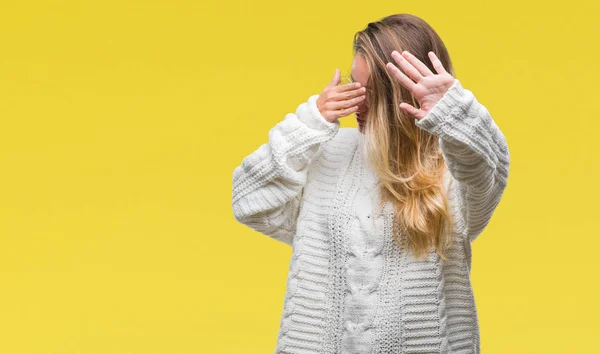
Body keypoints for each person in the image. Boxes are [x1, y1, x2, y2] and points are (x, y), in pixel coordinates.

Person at [231, 13, 510, 354]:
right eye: (353, 84)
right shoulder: (329, 152)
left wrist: (458, 115)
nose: (356, 103)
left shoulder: (452, 165)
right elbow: (249, 201)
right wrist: (309, 123)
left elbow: (489, 171)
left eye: (372, 92)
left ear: (402, 96)